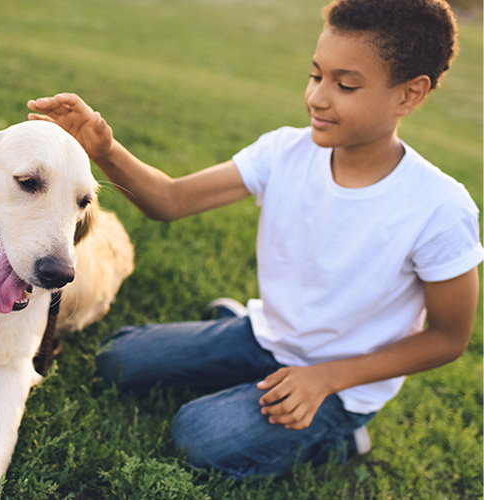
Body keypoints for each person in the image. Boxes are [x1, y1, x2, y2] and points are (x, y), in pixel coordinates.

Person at [26, 0, 483, 480]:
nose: (318, 98)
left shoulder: (439, 208)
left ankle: (343, 435)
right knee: (117, 361)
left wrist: (327, 378)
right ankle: (241, 337)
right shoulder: (285, 151)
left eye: (345, 85)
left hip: (342, 383)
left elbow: (448, 339)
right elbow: (169, 200)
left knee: (200, 434)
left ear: (409, 95)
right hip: (269, 336)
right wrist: (104, 148)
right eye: (315, 75)